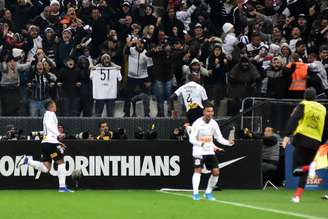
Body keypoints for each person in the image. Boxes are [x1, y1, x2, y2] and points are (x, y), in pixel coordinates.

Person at [282, 87, 328, 203]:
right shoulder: (323, 108)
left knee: (295, 170)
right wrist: (322, 142)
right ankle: (297, 196)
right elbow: (326, 127)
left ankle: (310, 167)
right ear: (315, 97)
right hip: (315, 142)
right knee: (305, 171)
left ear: (304, 96)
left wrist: (287, 135)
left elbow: (294, 119)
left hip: (302, 138)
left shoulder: (304, 105)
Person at [17, 100, 73, 192]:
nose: (56, 107)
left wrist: (57, 142)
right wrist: (58, 134)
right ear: (51, 106)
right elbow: (49, 126)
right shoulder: (51, 114)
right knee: (61, 162)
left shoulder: (46, 115)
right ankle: (62, 187)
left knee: (46, 168)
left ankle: (27, 161)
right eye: (55, 105)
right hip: (50, 143)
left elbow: (47, 130)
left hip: (46, 143)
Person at [189, 103, 234, 201]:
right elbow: (191, 139)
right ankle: (195, 194)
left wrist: (228, 143)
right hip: (198, 151)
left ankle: (208, 193)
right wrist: (201, 144)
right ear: (204, 112)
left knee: (216, 172)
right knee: (198, 170)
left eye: (212, 111)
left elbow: (219, 138)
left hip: (209, 151)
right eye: (208, 111)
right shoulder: (197, 123)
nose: (210, 113)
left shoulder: (214, 123)